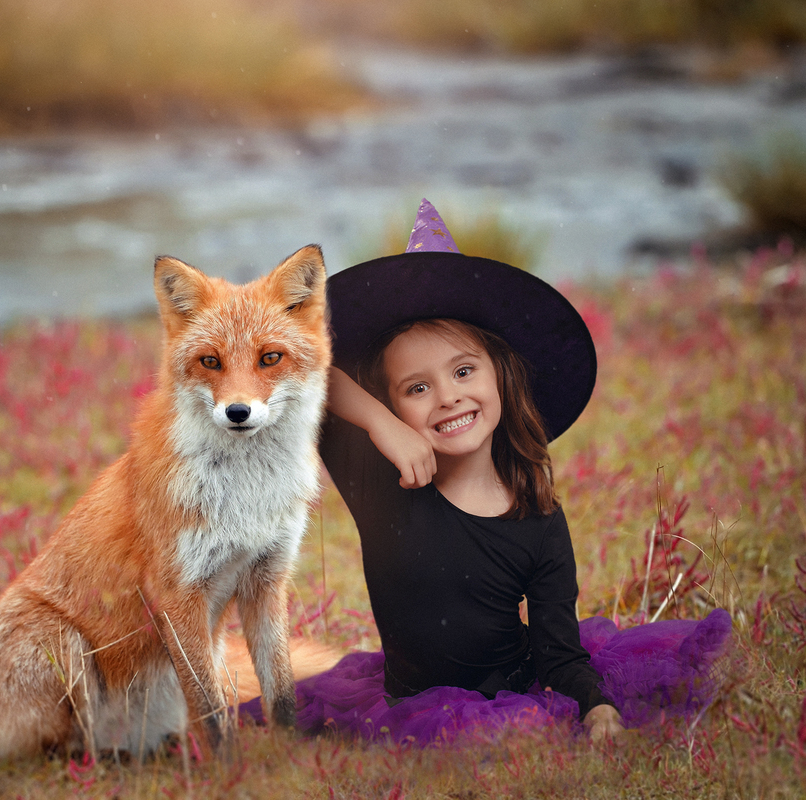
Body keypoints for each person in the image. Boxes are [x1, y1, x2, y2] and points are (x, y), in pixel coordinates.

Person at [241, 200, 729, 746]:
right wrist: (380, 424)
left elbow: (559, 653)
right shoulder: (379, 483)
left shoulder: (538, 517)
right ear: (395, 405)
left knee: (514, 736)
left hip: (512, 692)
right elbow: (290, 356)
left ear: (502, 376)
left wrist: (595, 707)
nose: (448, 397)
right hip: (410, 703)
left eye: (464, 370)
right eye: (417, 388)